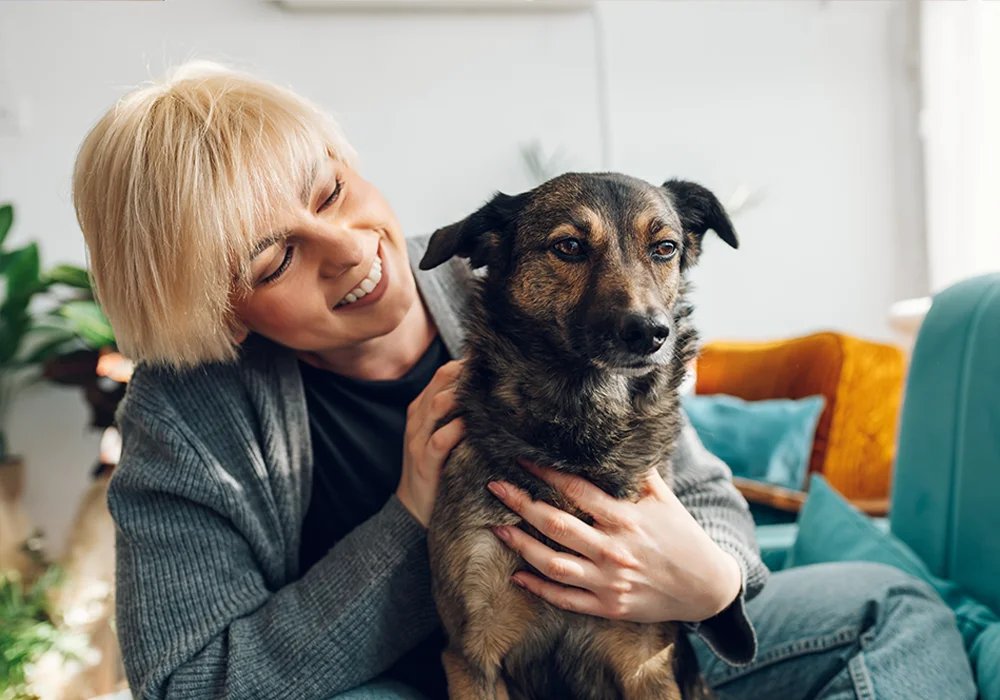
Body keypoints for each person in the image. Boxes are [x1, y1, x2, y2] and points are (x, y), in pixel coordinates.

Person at [71, 61, 976, 700]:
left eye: (329, 190)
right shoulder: (187, 422)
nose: (350, 251)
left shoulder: (503, 289)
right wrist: (411, 521)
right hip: (409, 685)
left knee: (889, 605)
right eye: (275, 257)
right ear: (211, 310)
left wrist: (704, 578)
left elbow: (701, 497)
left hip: (632, 655)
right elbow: (192, 684)